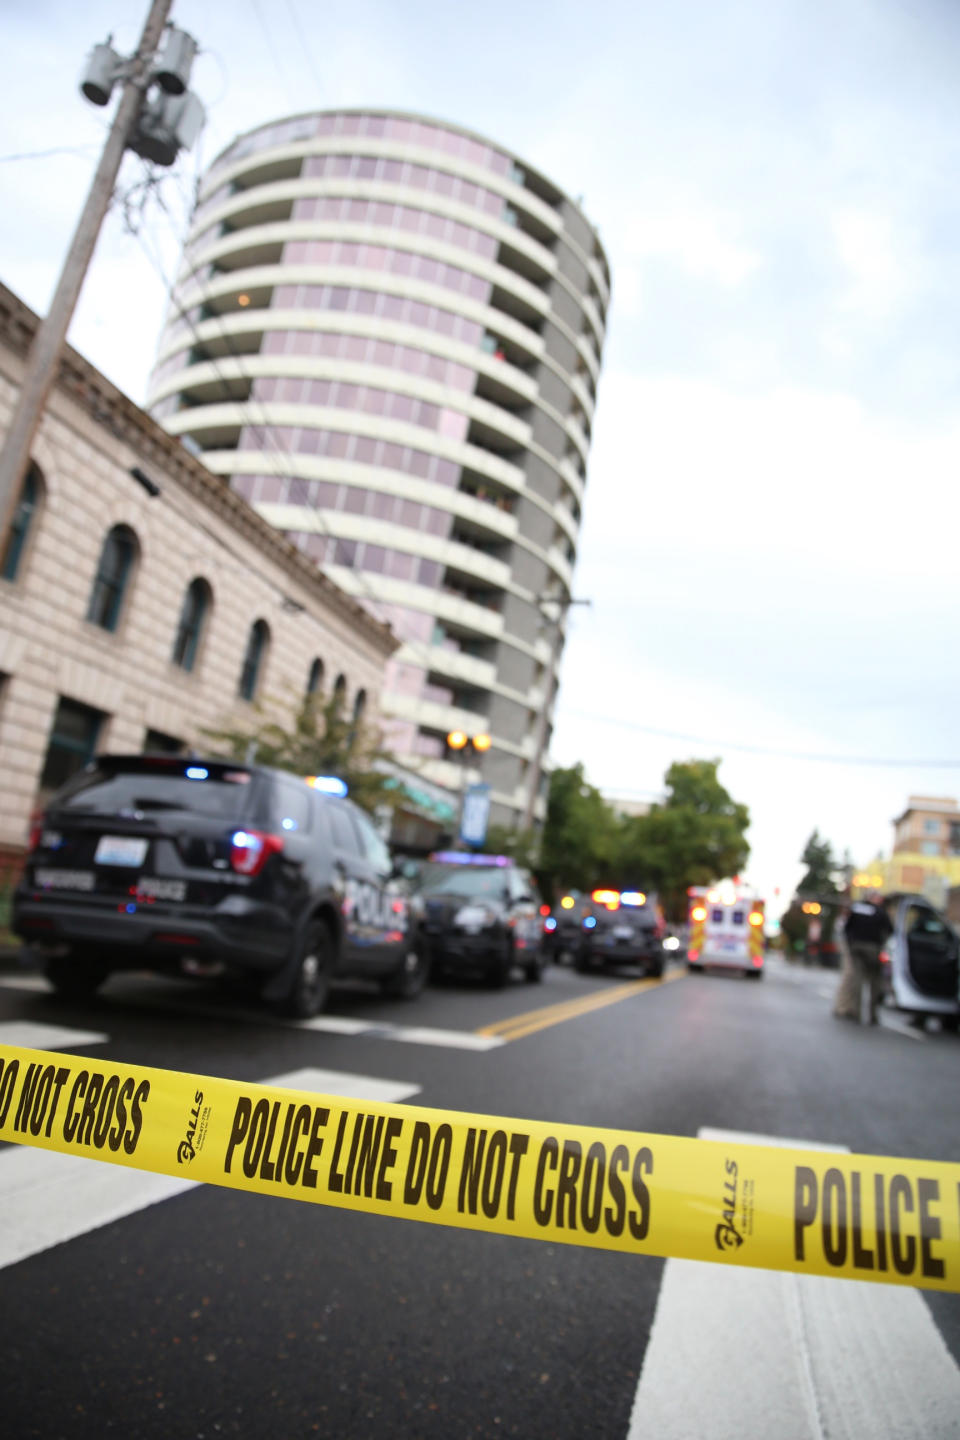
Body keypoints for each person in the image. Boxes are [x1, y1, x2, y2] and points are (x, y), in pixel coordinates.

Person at [833, 892, 893, 1025]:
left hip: (856, 948)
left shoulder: (856, 907)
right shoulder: (881, 912)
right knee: (875, 982)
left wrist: (850, 944)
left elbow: (846, 927)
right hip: (873, 949)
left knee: (856, 980)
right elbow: (890, 930)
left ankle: (855, 1012)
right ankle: (873, 1015)